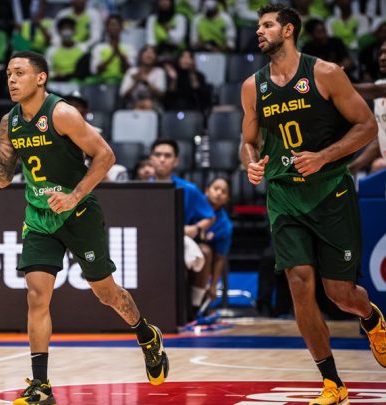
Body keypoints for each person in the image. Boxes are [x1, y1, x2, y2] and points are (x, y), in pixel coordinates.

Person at [0, 51, 169, 405]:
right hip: (39, 217)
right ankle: (41, 385)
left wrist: (75, 196)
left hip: (78, 214)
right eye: (8, 74)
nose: (11, 80)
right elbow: (2, 178)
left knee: (106, 294)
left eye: (19, 73)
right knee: (36, 296)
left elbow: (106, 155)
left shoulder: (61, 113)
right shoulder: (9, 122)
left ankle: (145, 334)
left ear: (41, 78)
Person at [241, 4, 386, 404]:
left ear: (288, 31)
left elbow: (367, 126)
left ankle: (371, 318)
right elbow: (248, 141)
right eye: (258, 26)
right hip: (284, 196)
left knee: (339, 292)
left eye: (267, 25)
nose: (260, 31)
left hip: (329, 192)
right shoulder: (253, 86)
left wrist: (323, 157)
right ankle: (332, 382)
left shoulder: (325, 73)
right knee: (299, 284)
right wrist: (252, 165)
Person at [149, 139, 215, 312]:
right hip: (150, 243)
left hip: (180, 241)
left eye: (167, 155)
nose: (162, 159)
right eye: (158, 155)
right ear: (151, 159)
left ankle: (195, 305)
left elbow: (210, 217)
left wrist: (197, 229)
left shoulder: (189, 189)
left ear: (176, 161)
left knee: (204, 252)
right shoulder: (141, 188)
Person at [195, 177, 233, 314]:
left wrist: (213, 285)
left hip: (205, 262)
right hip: (183, 249)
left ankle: (196, 305)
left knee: (206, 251)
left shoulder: (225, 225)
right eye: (215, 188)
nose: (218, 193)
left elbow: (219, 258)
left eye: (223, 191)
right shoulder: (193, 205)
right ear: (206, 190)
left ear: (227, 198)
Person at [351, 41, 386, 174]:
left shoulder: (378, 89)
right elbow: (381, 139)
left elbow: (373, 91)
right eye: (380, 53)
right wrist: (355, 166)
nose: (382, 58)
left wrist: (336, 79)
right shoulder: (379, 84)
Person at [120, 45, 166, 109]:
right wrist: (135, 83)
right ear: (140, 56)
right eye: (146, 53)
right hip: (133, 104)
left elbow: (161, 94)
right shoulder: (131, 71)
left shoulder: (159, 72)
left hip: (154, 105)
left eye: (152, 53)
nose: (149, 56)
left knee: (148, 104)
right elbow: (123, 95)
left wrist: (146, 82)